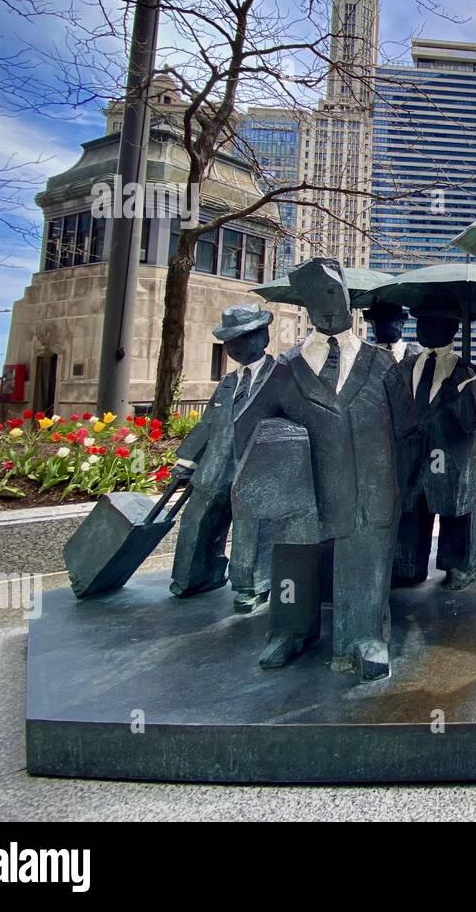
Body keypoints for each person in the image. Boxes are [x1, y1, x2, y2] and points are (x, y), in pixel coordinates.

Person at [233, 258, 412, 680]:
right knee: (295, 558)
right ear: (306, 308)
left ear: (348, 299)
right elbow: (247, 429)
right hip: (304, 493)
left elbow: (408, 429)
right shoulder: (285, 368)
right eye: (315, 300)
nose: (327, 308)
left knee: (364, 559)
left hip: (369, 488)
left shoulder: (382, 364)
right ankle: (290, 630)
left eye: (333, 295)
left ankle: (364, 636)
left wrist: (399, 484)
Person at [171, 304, 275, 610]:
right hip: (217, 465)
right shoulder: (228, 382)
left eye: (242, 338)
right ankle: (196, 576)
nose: (235, 346)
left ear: (263, 336)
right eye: (229, 341)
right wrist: (187, 461)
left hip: (256, 467)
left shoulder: (280, 374)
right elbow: (206, 425)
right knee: (198, 518)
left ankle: (251, 584)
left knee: (251, 528)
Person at [395, 306, 476, 590]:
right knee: (412, 513)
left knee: (457, 513)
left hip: (451, 457)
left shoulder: (467, 371)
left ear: (451, 329)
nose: (423, 329)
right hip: (413, 458)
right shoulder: (405, 366)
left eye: (432, 322)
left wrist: (468, 391)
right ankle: (409, 565)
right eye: (421, 323)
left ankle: (460, 565)